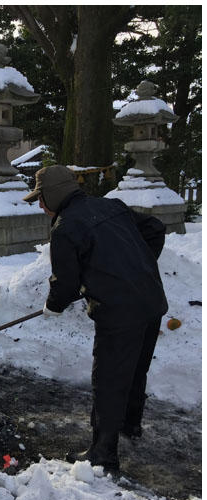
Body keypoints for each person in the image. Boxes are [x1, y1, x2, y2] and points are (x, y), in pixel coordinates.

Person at [24, 165, 168, 473]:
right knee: (135, 367)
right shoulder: (110, 205)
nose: (39, 205)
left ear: (53, 194)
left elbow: (64, 283)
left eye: (40, 197)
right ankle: (130, 425)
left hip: (119, 311)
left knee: (109, 379)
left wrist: (54, 305)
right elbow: (155, 228)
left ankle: (103, 452)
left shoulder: (64, 227)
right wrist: (135, 267)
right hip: (150, 300)